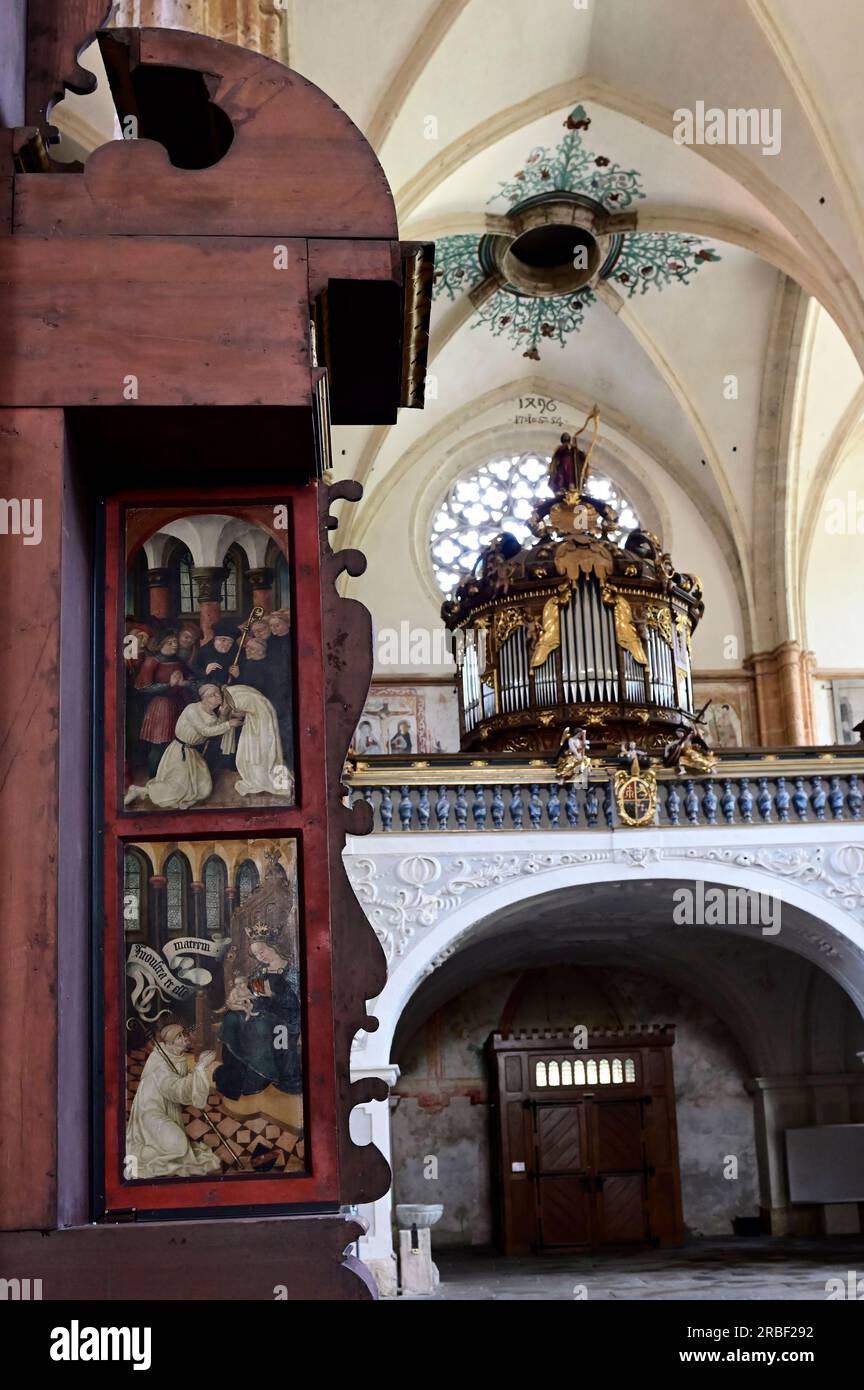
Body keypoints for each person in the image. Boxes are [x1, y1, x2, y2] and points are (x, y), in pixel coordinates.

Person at [124, 684, 245, 809]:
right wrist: (228, 724)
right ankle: (138, 790)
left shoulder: (213, 716)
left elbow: (215, 729)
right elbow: (205, 731)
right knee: (175, 789)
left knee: (204, 789)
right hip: (179, 752)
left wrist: (223, 716)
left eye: (217, 693)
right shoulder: (192, 709)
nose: (217, 696)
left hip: (191, 753)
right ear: (203, 698)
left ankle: (179, 793)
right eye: (212, 695)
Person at [125, 1024, 220, 1180]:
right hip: (150, 1114)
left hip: (167, 1111)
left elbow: (181, 1084)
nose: (185, 1038)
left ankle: (155, 1147)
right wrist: (200, 1067)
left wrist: (196, 1074)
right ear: (170, 1042)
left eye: (184, 1034)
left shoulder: (177, 1057)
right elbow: (175, 1090)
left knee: (180, 1146)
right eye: (179, 1037)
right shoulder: (160, 1062)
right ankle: (142, 1153)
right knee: (179, 1145)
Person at [214, 936, 302, 1100]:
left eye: (262, 951)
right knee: (232, 1019)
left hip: (285, 1014)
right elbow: (252, 990)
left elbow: (298, 1001)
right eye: (256, 955)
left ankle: (257, 1077)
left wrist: (273, 994)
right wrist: (238, 996)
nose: (260, 957)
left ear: (274, 946)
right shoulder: (261, 969)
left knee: (259, 1028)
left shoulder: (291, 968)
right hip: (260, 1009)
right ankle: (236, 1072)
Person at [134, 630, 198, 776]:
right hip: (161, 708)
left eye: (175, 642)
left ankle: (174, 779)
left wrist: (184, 683)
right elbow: (143, 688)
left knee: (180, 744)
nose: (174, 645)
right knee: (160, 745)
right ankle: (154, 779)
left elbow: (192, 679)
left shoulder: (178, 660)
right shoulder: (152, 661)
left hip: (180, 704)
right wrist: (168, 685)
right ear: (160, 644)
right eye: (170, 642)